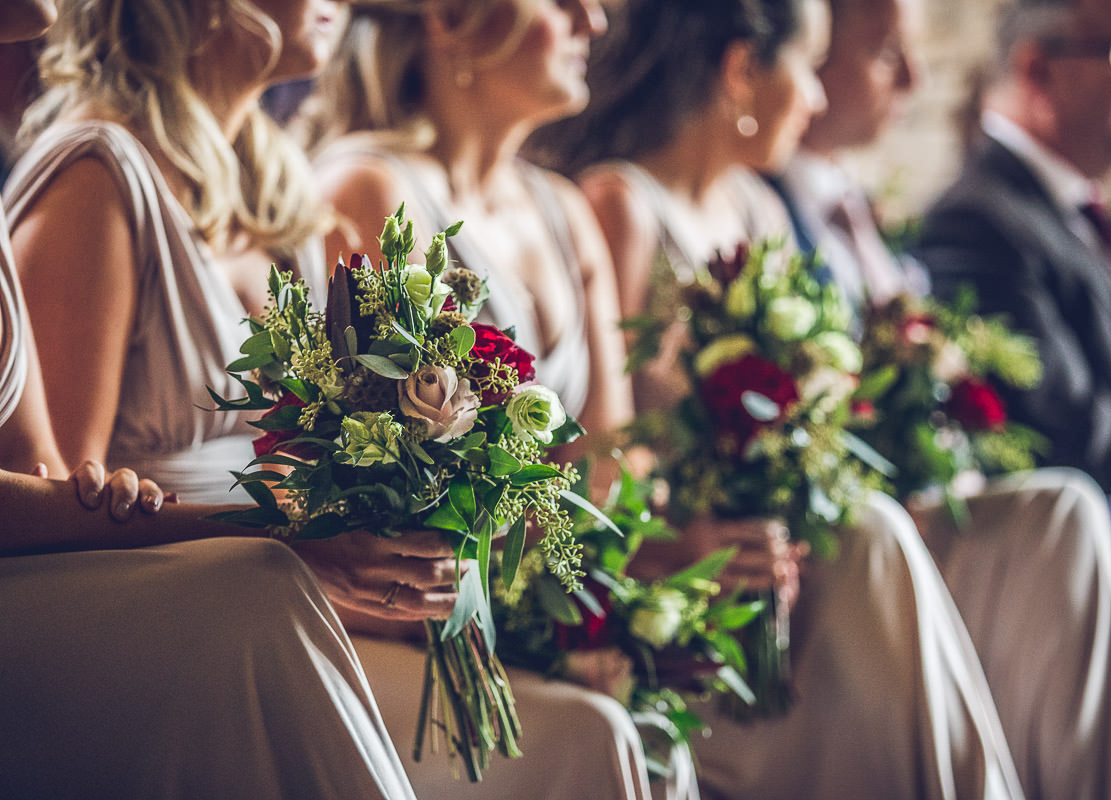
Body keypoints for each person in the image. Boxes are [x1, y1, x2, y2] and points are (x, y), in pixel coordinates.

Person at [533, 0, 1032, 797]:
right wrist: (695, 537)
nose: (817, 96)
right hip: (692, 591)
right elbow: (606, 467)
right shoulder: (620, 206)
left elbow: (824, 396)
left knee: (877, 531)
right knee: (874, 536)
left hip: (786, 575)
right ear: (740, 73)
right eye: (806, 66)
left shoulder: (759, 208)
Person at [0, 1, 424, 797]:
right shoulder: (98, 176)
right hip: (151, 621)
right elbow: (60, 502)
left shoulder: (283, 197)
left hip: (284, 603)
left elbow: (318, 483)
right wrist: (291, 542)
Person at [296, 3, 690, 799]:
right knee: (598, 738)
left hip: (528, 607)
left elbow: (606, 467)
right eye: (560, 1)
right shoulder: (367, 193)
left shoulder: (565, 211)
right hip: (410, 633)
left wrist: (596, 599)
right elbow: (348, 490)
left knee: (656, 724)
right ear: (450, 20)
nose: (596, 18)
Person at [766, 1, 1111, 798]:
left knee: (1064, 511)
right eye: (884, 56)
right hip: (842, 546)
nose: (914, 80)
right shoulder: (767, 214)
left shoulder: (855, 206)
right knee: (1068, 515)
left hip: (915, 512)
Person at [914, 0, 1111, 794]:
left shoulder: (1089, 218)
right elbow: (1076, 436)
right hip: (1103, 552)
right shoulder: (977, 222)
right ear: (1040, 69)